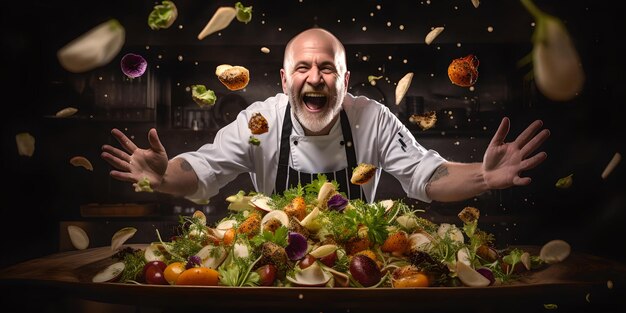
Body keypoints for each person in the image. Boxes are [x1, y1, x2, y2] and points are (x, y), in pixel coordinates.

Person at [101, 27, 550, 205]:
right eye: (302, 67)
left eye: (327, 68)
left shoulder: (373, 119)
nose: (315, 78)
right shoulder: (260, 123)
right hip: (275, 273)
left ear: (345, 79)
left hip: (360, 269)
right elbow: (199, 171)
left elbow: (428, 176)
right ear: (283, 80)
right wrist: (162, 176)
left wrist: (484, 178)